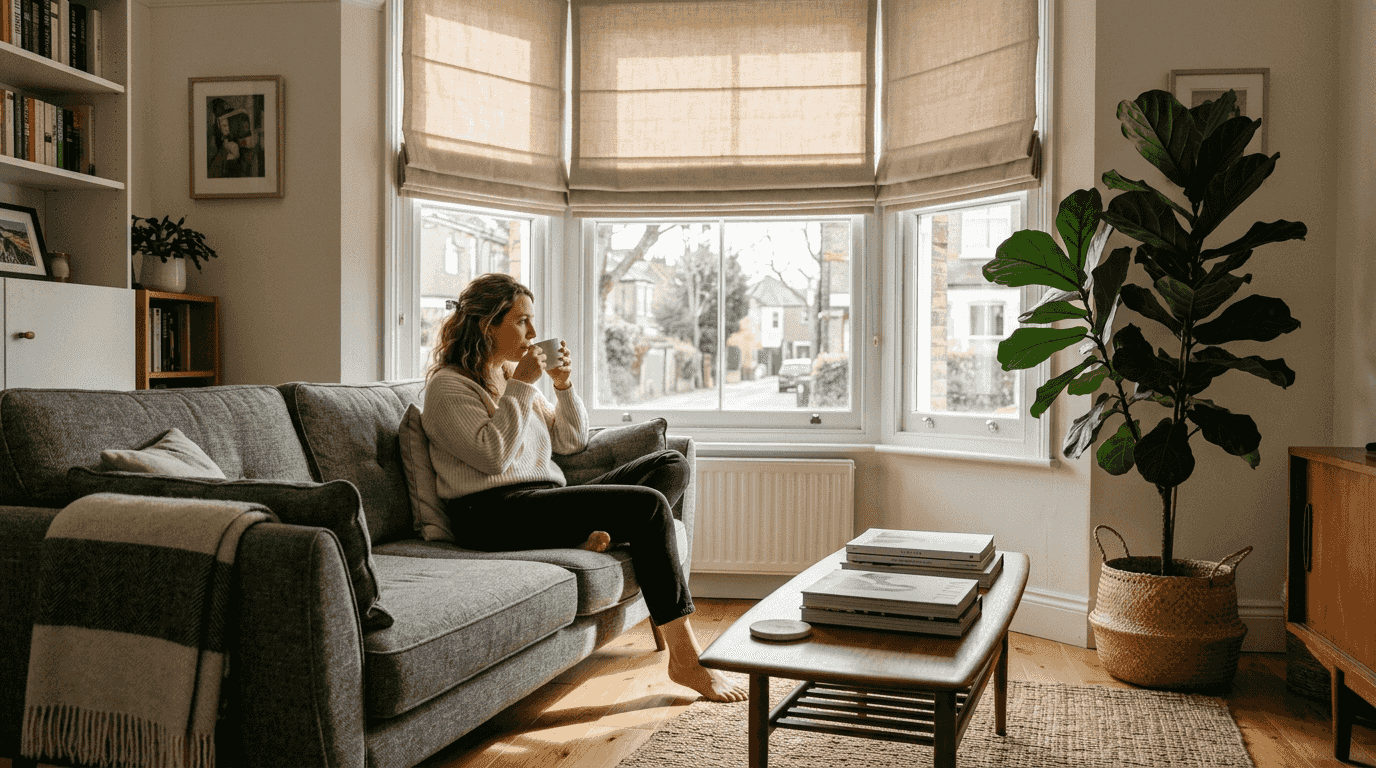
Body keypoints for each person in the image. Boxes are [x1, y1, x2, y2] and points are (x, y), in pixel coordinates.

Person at [422, 272, 748, 703]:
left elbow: (571, 441)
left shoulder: (507, 375)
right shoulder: (448, 386)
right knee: (649, 508)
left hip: (538, 500)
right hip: (490, 513)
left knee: (670, 464)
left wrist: (561, 386)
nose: (533, 334)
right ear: (488, 325)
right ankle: (686, 658)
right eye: (522, 321)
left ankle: (587, 537)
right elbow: (493, 456)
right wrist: (522, 385)